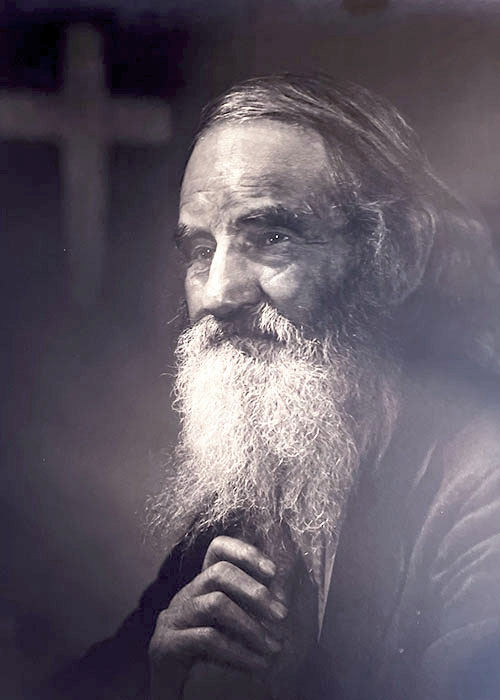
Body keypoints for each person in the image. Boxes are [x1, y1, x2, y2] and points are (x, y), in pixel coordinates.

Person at [49, 74, 500, 700]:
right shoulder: (257, 482)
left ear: (396, 256)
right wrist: (161, 677)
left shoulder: (485, 488)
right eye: (201, 250)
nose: (216, 295)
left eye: (270, 238)